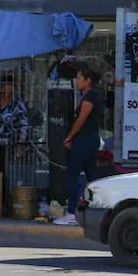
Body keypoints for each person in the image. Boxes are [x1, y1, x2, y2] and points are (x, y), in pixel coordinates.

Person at [54, 66, 104, 226]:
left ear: (88, 81)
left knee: (72, 175)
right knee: (92, 178)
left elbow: (81, 120)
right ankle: (98, 211)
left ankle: (71, 213)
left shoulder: (90, 97)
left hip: (84, 141)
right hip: (89, 140)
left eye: (80, 78)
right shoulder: (91, 96)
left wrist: (70, 137)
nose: (77, 81)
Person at [0, 75, 30, 144]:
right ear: (1, 86)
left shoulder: (18, 105)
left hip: (10, 143)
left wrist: (22, 140)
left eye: (10, 85)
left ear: (13, 88)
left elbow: (24, 124)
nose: (7, 88)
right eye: (5, 85)